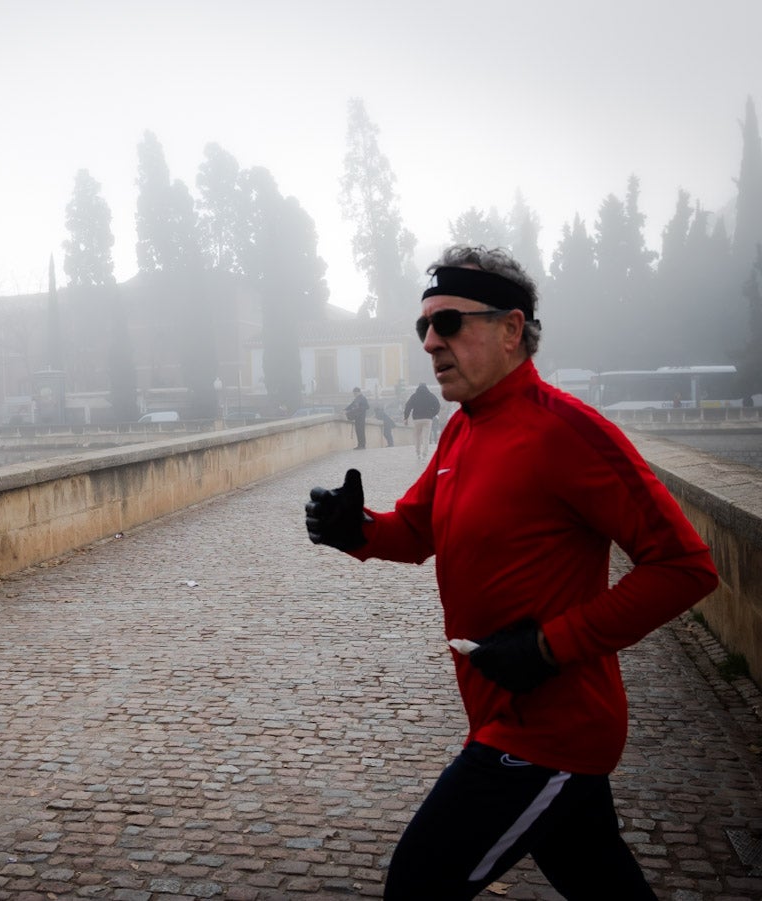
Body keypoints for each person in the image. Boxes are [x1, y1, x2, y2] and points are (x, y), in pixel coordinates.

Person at [305, 245, 718, 900]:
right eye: (423, 327)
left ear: (510, 329)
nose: (431, 343)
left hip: (547, 731)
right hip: (504, 714)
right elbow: (417, 531)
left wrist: (550, 646)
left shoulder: (569, 433)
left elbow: (686, 566)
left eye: (449, 323)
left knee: (418, 882)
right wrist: (356, 529)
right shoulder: (462, 430)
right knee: (602, 881)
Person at [403, 382, 440, 460]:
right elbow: (437, 405)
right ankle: (424, 455)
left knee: (417, 437)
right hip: (427, 419)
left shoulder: (414, 396)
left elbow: (408, 406)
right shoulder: (430, 396)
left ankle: (418, 453)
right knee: (426, 437)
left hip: (416, 419)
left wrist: (406, 417)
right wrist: (432, 414)